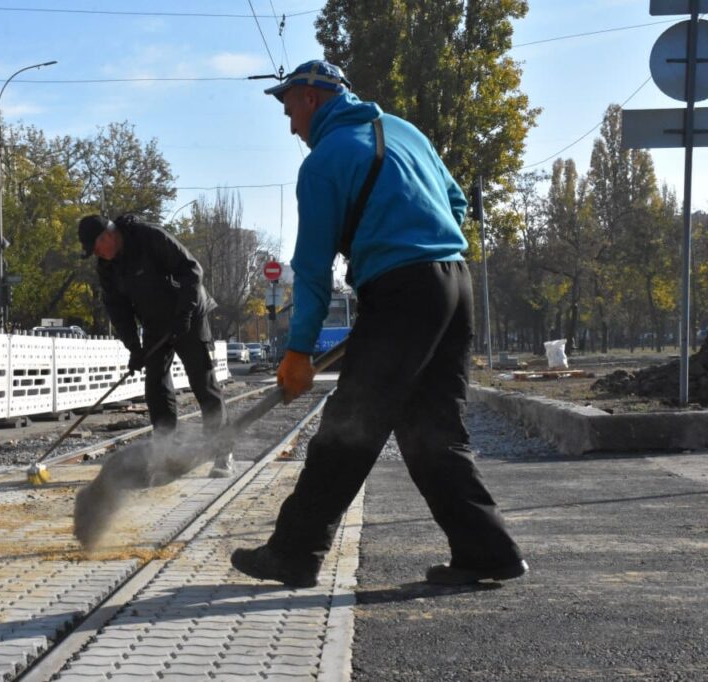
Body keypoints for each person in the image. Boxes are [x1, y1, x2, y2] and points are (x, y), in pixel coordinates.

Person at [230, 60, 526, 587]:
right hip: (454, 286)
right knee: (431, 428)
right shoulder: (406, 132)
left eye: (288, 107)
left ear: (313, 100)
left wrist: (298, 350)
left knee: (351, 423)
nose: (289, 122)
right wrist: (420, 236)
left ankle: (295, 552)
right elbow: (455, 202)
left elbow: (315, 271)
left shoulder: (322, 164)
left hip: (401, 291)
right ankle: (487, 551)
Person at [78, 213, 233, 478]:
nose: (97, 255)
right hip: (155, 323)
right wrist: (134, 349)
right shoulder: (108, 267)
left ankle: (222, 453)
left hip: (189, 315)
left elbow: (192, 270)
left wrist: (184, 314)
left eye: (96, 248)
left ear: (107, 236)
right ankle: (165, 455)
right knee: (156, 388)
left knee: (202, 382)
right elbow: (118, 310)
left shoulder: (149, 237)